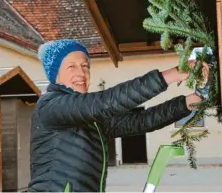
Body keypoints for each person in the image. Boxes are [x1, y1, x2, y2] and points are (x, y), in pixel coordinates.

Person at [28, 39, 209, 192]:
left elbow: (139, 122)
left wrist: (190, 101)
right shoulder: (51, 106)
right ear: (55, 74)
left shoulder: (90, 120)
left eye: (85, 66)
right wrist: (173, 74)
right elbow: (106, 102)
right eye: (71, 66)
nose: (81, 73)